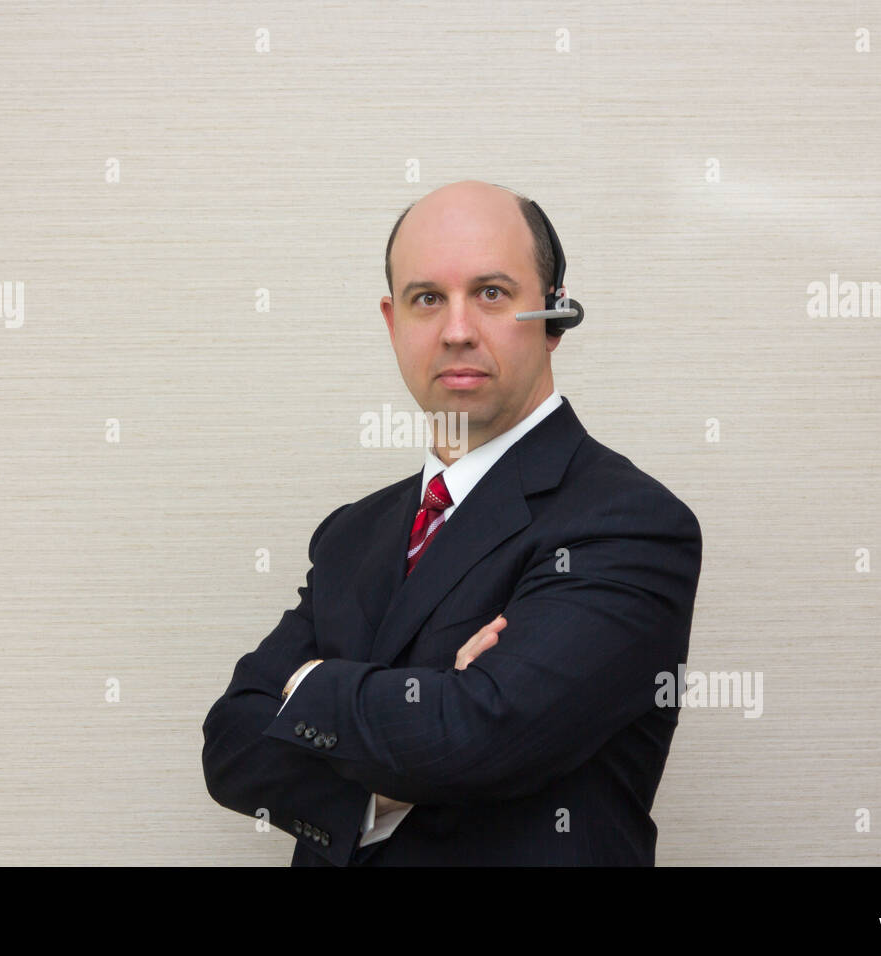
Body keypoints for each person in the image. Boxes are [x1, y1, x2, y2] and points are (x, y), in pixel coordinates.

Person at [201, 180, 702, 865]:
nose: (457, 329)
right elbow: (231, 741)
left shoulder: (628, 523)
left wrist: (308, 686)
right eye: (427, 299)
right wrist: (392, 772)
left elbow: (480, 738)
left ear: (553, 317)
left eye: (492, 294)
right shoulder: (353, 533)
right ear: (392, 322)